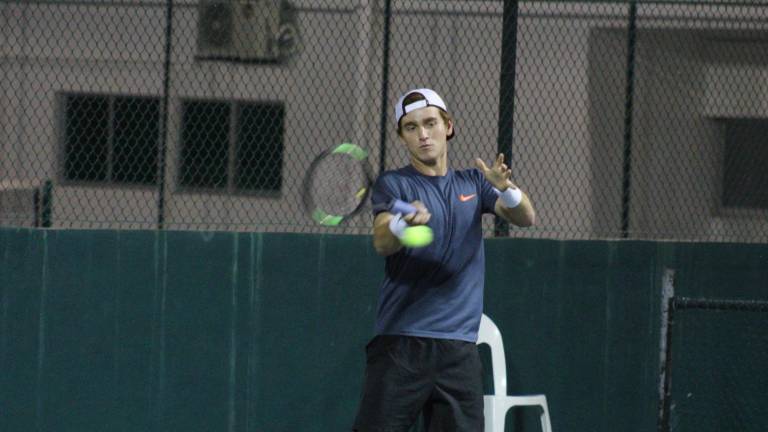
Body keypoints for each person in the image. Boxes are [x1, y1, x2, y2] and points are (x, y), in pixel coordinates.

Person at [352, 88, 536, 431]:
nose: (423, 134)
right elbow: (382, 240)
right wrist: (401, 224)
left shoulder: (474, 183)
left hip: (459, 351)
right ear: (402, 137)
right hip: (401, 345)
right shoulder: (394, 184)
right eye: (411, 127)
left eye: (430, 123)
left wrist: (506, 188)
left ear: (448, 126)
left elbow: (526, 217)